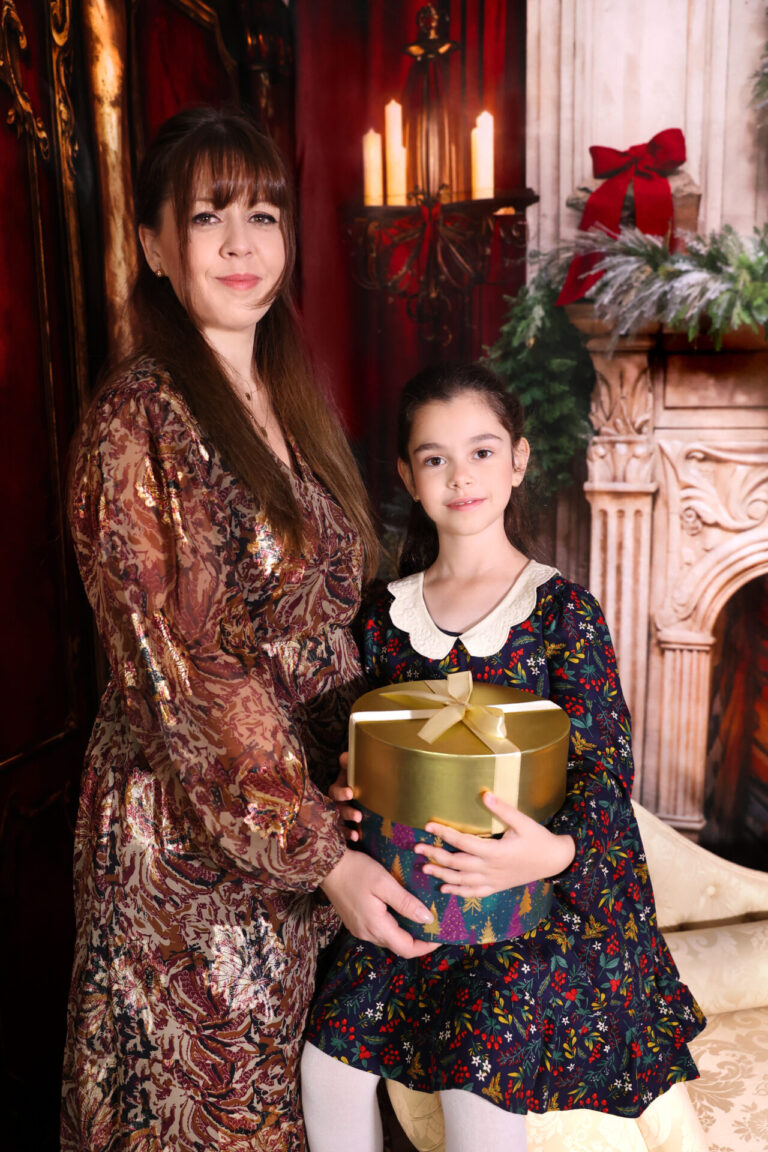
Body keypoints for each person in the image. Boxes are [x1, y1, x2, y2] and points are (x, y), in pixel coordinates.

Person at [62, 106, 437, 1152]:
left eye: (265, 214)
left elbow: (333, 616)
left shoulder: (288, 392)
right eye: (209, 214)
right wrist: (324, 856)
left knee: (306, 1110)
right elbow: (189, 674)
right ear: (152, 245)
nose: (243, 243)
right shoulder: (137, 422)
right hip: (194, 849)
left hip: (305, 825)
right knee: (216, 1116)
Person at [302, 362, 706, 1152]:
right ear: (407, 476)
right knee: (326, 1062)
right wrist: (352, 788)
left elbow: (603, 772)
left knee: (478, 1069)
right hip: (410, 905)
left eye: (482, 452)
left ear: (518, 461)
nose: (461, 477)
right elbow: (363, 751)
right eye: (435, 458)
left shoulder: (560, 612)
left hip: (526, 913)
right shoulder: (381, 616)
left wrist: (550, 854)